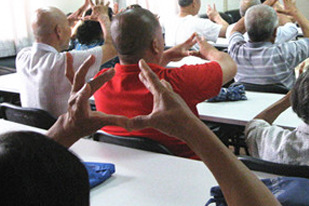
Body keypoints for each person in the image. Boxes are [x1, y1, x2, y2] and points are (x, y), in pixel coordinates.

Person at [0, 54, 279, 206]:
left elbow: (14, 175)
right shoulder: (177, 78)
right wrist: (194, 130)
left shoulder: (104, 79)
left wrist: (64, 130)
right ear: (155, 43)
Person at [93, 7, 236, 158]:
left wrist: (165, 56)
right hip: (187, 171)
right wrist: (209, 51)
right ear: (155, 45)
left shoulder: (100, 81)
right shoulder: (174, 82)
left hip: (134, 171)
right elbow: (230, 65)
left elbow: (135, 71)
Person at [16, 0, 116, 117]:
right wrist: (104, 17)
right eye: (68, 28)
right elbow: (113, 47)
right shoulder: (64, 62)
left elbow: (45, 29)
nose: (71, 31)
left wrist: (64, 22)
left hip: (35, 132)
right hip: (64, 133)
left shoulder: (22, 57)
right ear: (59, 31)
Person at [228, 0, 309, 89]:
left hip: (245, 103)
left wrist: (264, 5)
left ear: (246, 29)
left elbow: (236, 30)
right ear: (275, 32)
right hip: (281, 104)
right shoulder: (285, 53)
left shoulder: (236, 50)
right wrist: (295, 12)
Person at [164, 0, 229, 45]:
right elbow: (229, 32)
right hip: (194, 58)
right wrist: (216, 17)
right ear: (194, 3)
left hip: (173, 58)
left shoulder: (169, 23)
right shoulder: (200, 24)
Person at [225, 0, 298, 43]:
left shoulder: (230, 30)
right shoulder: (273, 32)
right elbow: (292, 28)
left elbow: (236, 30)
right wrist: (279, 11)